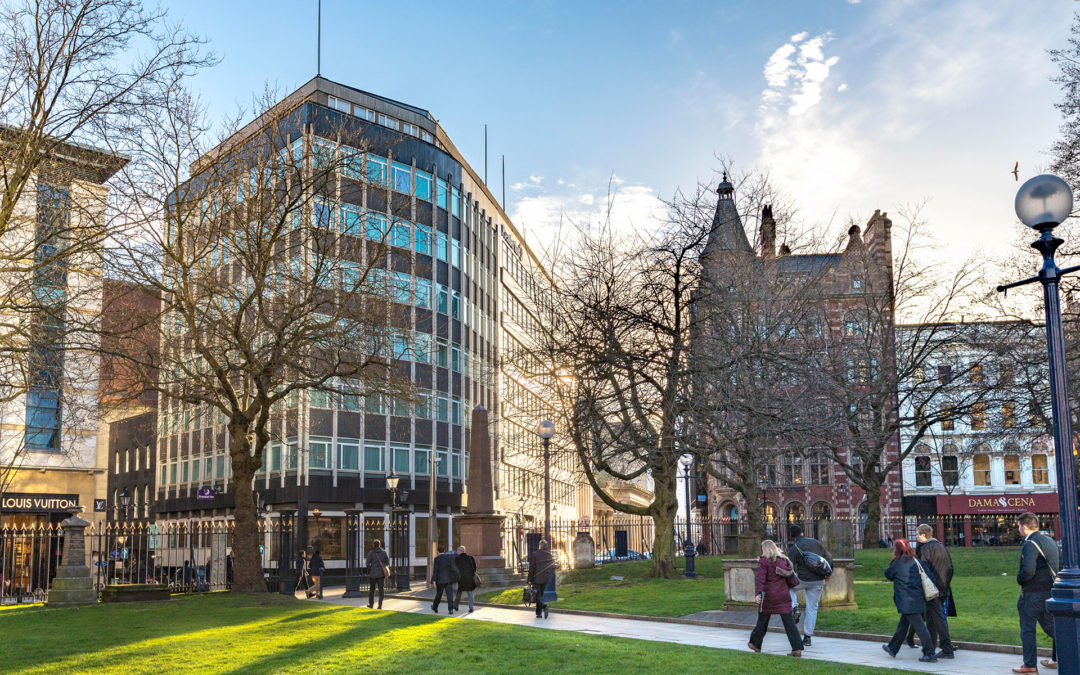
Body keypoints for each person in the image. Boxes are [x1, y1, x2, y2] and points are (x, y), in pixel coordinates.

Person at [1014, 512, 1058, 674]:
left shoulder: (1030, 543)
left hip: (1032, 593)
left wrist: (1020, 579)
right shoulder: (1049, 540)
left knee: (1027, 629)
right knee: (1051, 626)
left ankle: (1029, 664)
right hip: (1049, 591)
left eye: (1019, 526)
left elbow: (1028, 571)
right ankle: (1062, 656)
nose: (1018, 529)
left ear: (1024, 527)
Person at [881, 539, 937, 663]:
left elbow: (888, 574)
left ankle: (930, 653)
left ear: (896, 550)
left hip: (906, 600)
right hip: (918, 599)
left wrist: (893, 560)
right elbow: (931, 577)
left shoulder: (896, 564)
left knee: (920, 627)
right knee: (903, 625)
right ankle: (893, 647)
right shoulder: (918, 562)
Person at [747, 539, 803, 657]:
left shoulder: (764, 562)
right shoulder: (784, 561)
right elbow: (790, 579)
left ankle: (755, 644)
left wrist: (759, 594)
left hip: (769, 597)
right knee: (789, 624)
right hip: (783, 595)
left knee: (762, 621)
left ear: (764, 549)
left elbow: (760, 579)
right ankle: (797, 648)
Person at [906, 524, 955, 659]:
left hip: (932, 589)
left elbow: (922, 571)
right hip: (944, 587)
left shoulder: (925, 549)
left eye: (917, 534)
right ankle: (931, 647)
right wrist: (945, 586)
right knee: (933, 619)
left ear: (923, 535)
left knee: (937, 620)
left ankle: (946, 648)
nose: (916, 537)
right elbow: (950, 568)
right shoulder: (941, 546)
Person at [786, 524, 833, 648]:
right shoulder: (816, 542)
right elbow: (829, 558)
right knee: (812, 607)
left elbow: (788, 566)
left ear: (792, 536)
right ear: (802, 532)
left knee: (788, 587)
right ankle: (807, 637)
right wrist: (828, 573)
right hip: (819, 580)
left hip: (803, 579)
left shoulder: (795, 547)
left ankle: (794, 607)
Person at [527, 539, 556, 619]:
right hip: (545, 578)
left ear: (540, 546)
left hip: (537, 578)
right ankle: (538, 613)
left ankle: (544, 606)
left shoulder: (535, 554)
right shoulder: (549, 555)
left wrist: (529, 579)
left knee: (537, 596)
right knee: (540, 595)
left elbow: (532, 568)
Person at [430, 544, 459, 614]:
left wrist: (433, 581)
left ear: (437, 551)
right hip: (448, 580)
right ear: (444, 551)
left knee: (439, 595)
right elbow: (454, 568)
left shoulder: (437, 559)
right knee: (449, 595)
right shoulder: (449, 557)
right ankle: (450, 610)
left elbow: (435, 570)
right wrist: (457, 576)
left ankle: (435, 607)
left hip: (439, 580)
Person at [365, 540, 390, 609]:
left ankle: (371, 604)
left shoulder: (371, 553)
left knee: (372, 590)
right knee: (381, 590)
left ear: (373, 545)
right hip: (381, 574)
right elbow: (387, 563)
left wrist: (371, 569)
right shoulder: (384, 552)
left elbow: (367, 564)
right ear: (379, 545)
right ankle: (380, 605)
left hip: (373, 574)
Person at [455, 545, 478, 613]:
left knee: (459, 592)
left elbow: (455, 569)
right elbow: (474, 568)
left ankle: (456, 605)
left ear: (460, 551)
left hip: (461, 578)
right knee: (470, 592)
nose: (457, 552)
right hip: (469, 578)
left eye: (457, 551)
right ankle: (471, 607)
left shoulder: (457, 559)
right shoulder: (470, 558)